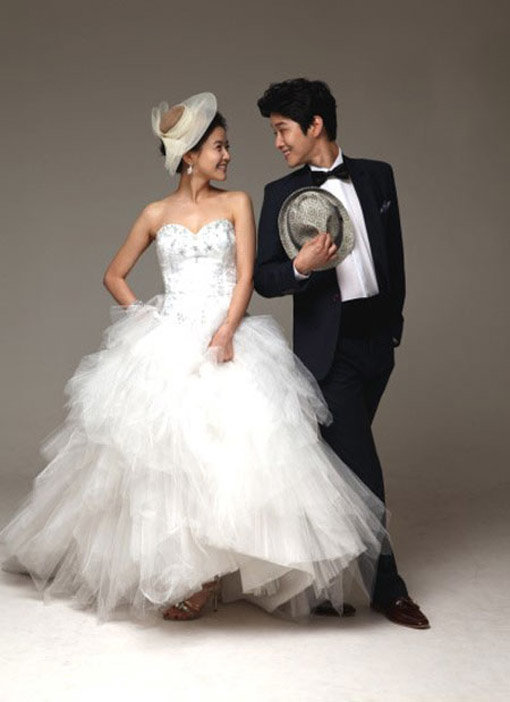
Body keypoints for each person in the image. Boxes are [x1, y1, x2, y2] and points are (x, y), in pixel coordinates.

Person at [1, 92, 388, 624]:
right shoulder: (155, 213)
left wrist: (227, 330)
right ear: (189, 156)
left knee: (239, 457)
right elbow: (114, 275)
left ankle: (233, 570)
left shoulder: (238, 203)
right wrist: (146, 318)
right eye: (219, 147)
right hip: (172, 338)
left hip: (230, 337)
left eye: (227, 146)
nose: (228, 155)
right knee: (171, 460)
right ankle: (195, 577)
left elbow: (247, 276)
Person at [255, 78, 430, 629]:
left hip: (377, 340)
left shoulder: (378, 176)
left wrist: (393, 329)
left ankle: (323, 583)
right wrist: (301, 266)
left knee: (337, 470)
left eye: (283, 130)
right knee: (365, 472)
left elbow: (394, 256)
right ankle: (388, 588)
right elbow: (263, 277)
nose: (277, 142)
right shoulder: (279, 194)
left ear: (316, 126)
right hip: (328, 353)